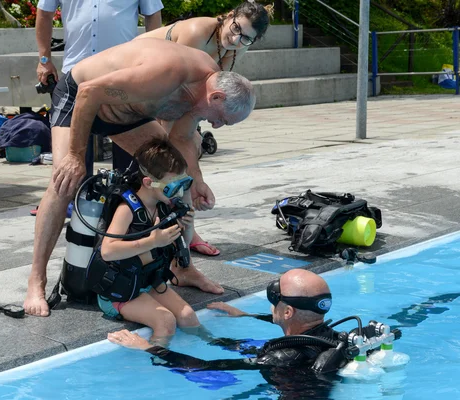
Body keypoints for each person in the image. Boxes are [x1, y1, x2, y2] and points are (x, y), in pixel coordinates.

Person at [24, 38, 255, 316]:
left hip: (126, 114)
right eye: (220, 119)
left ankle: (183, 268)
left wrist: (197, 180)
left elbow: (181, 138)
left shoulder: (204, 88)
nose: (216, 126)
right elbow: (89, 91)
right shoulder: (167, 74)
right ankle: (36, 281)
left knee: (176, 175)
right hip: (79, 98)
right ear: (215, 97)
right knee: (65, 180)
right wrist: (75, 156)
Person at [137, 1, 273, 257]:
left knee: (187, 154)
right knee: (169, 159)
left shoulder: (236, 48)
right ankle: (168, 233)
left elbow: (201, 95)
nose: (236, 38)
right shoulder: (198, 31)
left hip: (174, 95)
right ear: (229, 16)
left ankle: (182, 233)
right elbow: (173, 88)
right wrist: (183, 136)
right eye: (235, 28)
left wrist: (192, 135)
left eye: (246, 38)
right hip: (148, 86)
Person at [108, 269, 340, 398]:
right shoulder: (333, 337)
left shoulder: (282, 358)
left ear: (288, 312)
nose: (272, 302)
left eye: (274, 298)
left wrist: (146, 347)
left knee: (214, 380)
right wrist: (245, 315)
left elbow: (204, 367)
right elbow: (292, 325)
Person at [35, 0, 163, 178]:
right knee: (70, 159)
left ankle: (127, 200)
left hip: (123, 73)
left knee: (130, 155)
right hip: (75, 76)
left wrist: (151, 61)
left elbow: (153, 15)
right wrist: (44, 60)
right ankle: (77, 199)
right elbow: (44, 13)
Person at [91, 138, 201, 345]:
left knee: (188, 316)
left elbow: (180, 250)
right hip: (119, 292)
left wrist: (186, 226)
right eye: (172, 187)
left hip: (148, 282)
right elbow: (108, 251)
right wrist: (152, 242)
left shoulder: (163, 205)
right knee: (165, 320)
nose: (178, 193)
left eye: (183, 185)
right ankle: (157, 362)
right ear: (149, 183)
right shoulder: (127, 209)